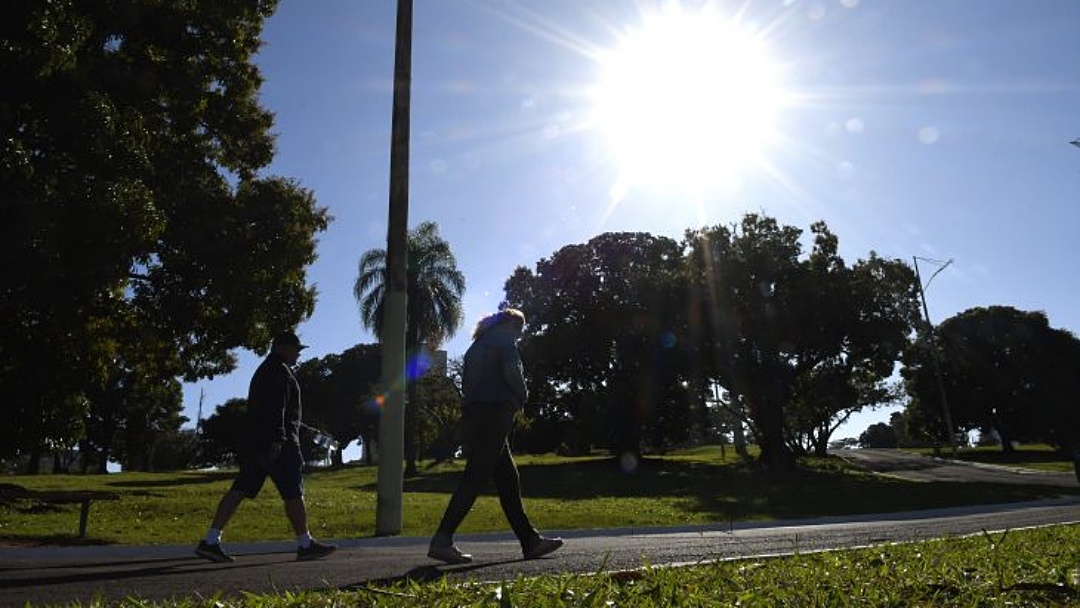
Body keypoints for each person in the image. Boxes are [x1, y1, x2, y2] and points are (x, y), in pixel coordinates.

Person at [427, 308, 564, 564]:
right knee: (475, 477)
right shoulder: (504, 340)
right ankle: (442, 540)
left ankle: (530, 541)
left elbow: (468, 385)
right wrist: (523, 396)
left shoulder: (475, 347)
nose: (519, 335)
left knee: (508, 480)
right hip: (496, 413)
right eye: (519, 329)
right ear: (511, 324)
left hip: (476, 413)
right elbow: (512, 371)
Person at [195, 331, 337, 562]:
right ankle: (305, 544)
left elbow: (272, 411)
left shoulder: (267, 370)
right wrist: (279, 439)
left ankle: (211, 540)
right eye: (296, 349)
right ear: (283, 347)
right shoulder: (278, 372)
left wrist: (299, 429)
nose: (298, 354)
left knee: (240, 489)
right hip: (279, 445)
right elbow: (276, 408)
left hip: (257, 443)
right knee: (293, 492)